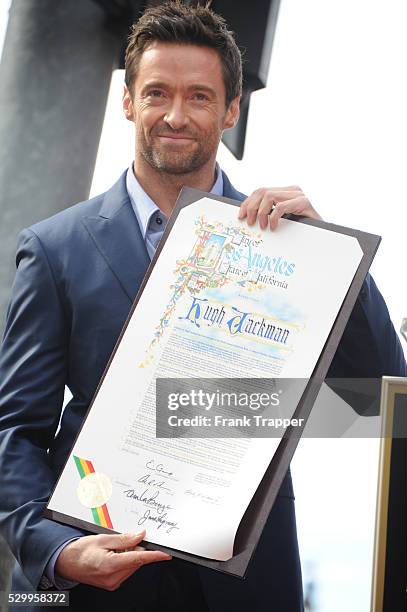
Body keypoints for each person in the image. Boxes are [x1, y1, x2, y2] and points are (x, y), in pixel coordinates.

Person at [0, 2, 405, 611]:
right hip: (93, 572)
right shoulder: (54, 249)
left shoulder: (294, 246)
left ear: (231, 109)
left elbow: (377, 391)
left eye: (198, 96)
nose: (175, 115)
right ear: (129, 101)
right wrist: (56, 550)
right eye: (157, 93)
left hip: (247, 577)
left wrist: (335, 257)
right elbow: (15, 430)